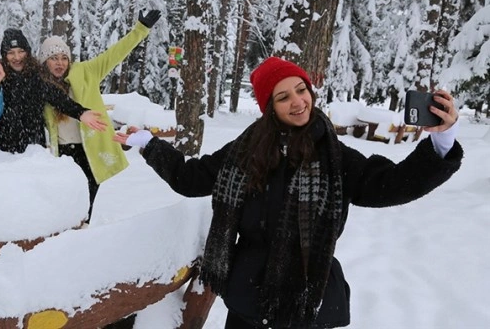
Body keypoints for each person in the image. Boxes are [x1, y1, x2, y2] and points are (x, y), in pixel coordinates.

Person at [114, 56, 463, 329]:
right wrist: (148, 144)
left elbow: (392, 184)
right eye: (283, 96)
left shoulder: (334, 155)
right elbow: (191, 178)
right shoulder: (245, 151)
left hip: (306, 300)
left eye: (301, 89)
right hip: (247, 297)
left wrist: (441, 141)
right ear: (270, 106)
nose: (298, 102)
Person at [38, 9, 161, 221]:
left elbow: (115, 53)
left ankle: (83, 234)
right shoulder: (39, 86)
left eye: (63, 58)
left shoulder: (86, 72)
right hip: (60, 154)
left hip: (89, 151)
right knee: (62, 204)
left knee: (87, 203)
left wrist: (140, 30)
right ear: (44, 62)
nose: (59, 63)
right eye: (53, 58)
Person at [0, 8, 106, 154]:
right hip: (2, 151)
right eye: (11, 53)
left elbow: (59, 99)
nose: (17, 57)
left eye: (21, 51)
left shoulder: (37, 78)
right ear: (4, 55)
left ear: (27, 53)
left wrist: (81, 113)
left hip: (33, 152)